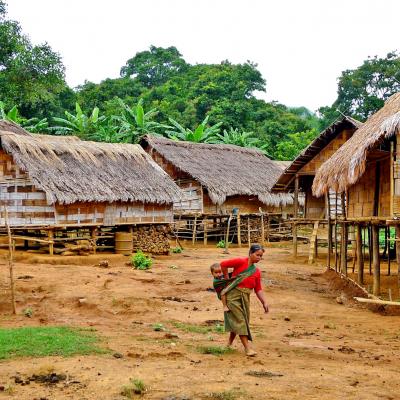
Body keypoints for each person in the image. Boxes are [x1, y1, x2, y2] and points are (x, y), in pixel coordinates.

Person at [218, 244, 269, 356]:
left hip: (245, 298)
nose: (259, 258)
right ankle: (247, 349)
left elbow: (258, 289)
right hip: (233, 296)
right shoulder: (240, 262)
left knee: (240, 321)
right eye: (257, 255)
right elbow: (223, 264)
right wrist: (227, 278)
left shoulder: (256, 272)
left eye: (261, 256)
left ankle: (229, 343)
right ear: (250, 253)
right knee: (240, 321)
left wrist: (264, 302)